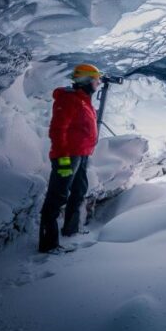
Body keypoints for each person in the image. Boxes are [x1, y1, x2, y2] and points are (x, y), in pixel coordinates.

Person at [38, 63, 102, 253]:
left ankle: (71, 230)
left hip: (81, 154)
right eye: (95, 81)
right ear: (86, 81)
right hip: (67, 156)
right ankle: (48, 244)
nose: (97, 84)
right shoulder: (68, 100)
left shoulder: (82, 98)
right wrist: (64, 159)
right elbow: (58, 131)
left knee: (79, 189)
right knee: (57, 197)